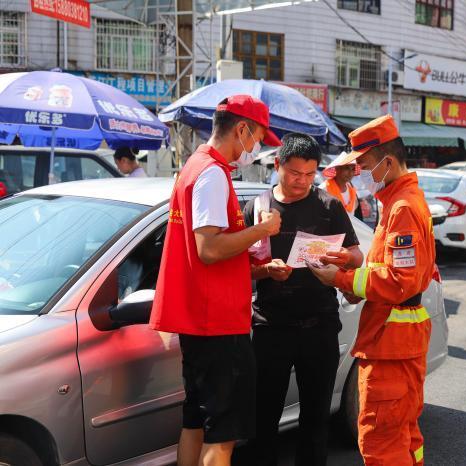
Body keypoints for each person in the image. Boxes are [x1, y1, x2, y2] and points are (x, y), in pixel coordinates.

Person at [149, 94, 283, 466]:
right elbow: (208, 248)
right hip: (218, 325)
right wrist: (262, 229)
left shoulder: (194, 166)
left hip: (202, 320)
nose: (255, 148)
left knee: (195, 422)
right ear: (241, 129)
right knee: (221, 438)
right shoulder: (212, 173)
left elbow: (207, 254)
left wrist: (257, 267)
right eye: (256, 138)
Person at [309, 115, 436, 466]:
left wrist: (340, 279)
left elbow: (399, 281)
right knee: (404, 437)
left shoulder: (403, 208)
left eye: (363, 166)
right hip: (396, 339)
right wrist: (352, 273)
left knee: (380, 442)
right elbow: (388, 271)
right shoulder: (398, 201)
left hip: (391, 344)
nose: (359, 175)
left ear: (387, 162)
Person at [244, 133, 363, 466]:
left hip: (319, 326)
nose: (302, 182)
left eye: (310, 175)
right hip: (270, 327)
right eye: (296, 173)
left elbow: (357, 256)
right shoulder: (258, 208)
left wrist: (340, 256)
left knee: (315, 419)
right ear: (278, 164)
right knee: (263, 419)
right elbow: (241, 269)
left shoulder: (328, 206)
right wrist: (267, 270)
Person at [319, 152, 363, 220]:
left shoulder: (352, 191)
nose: (350, 173)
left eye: (353, 169)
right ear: (337, 169)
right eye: (347, 168)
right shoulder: (323, 189)